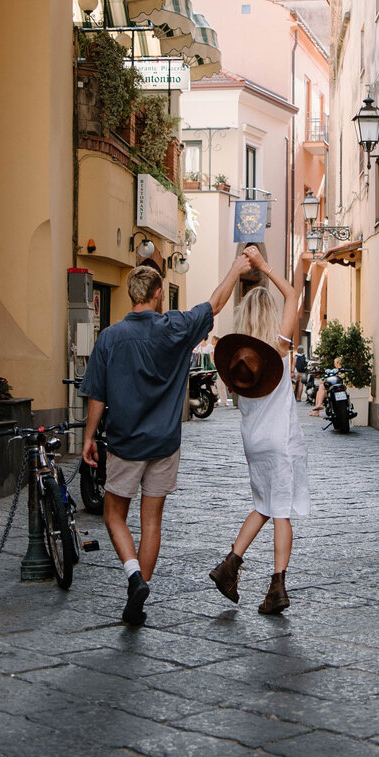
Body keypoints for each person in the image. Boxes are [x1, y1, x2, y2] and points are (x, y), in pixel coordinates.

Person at [80, 252, 253, 625]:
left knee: (113, 514)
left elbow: (96, 394)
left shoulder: (110, 338)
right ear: (158, 294)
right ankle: (139, 592)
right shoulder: (175, 328)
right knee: (152, 522)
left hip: (125, 443)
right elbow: (215, 303)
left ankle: (132, 576)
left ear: (131, 295)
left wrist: (89, 437)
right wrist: (236, 269)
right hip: (164, 443)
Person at [209, 249, 310, 615]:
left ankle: (229, 566)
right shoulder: (278, 351)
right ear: (269, 316)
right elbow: (294, 296)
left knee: (263, 506)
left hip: (253, 442)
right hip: (281, 441)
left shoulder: (239, 360)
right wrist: (266, 268)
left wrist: (239, 270)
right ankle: (277, 587)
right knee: (280, 511)